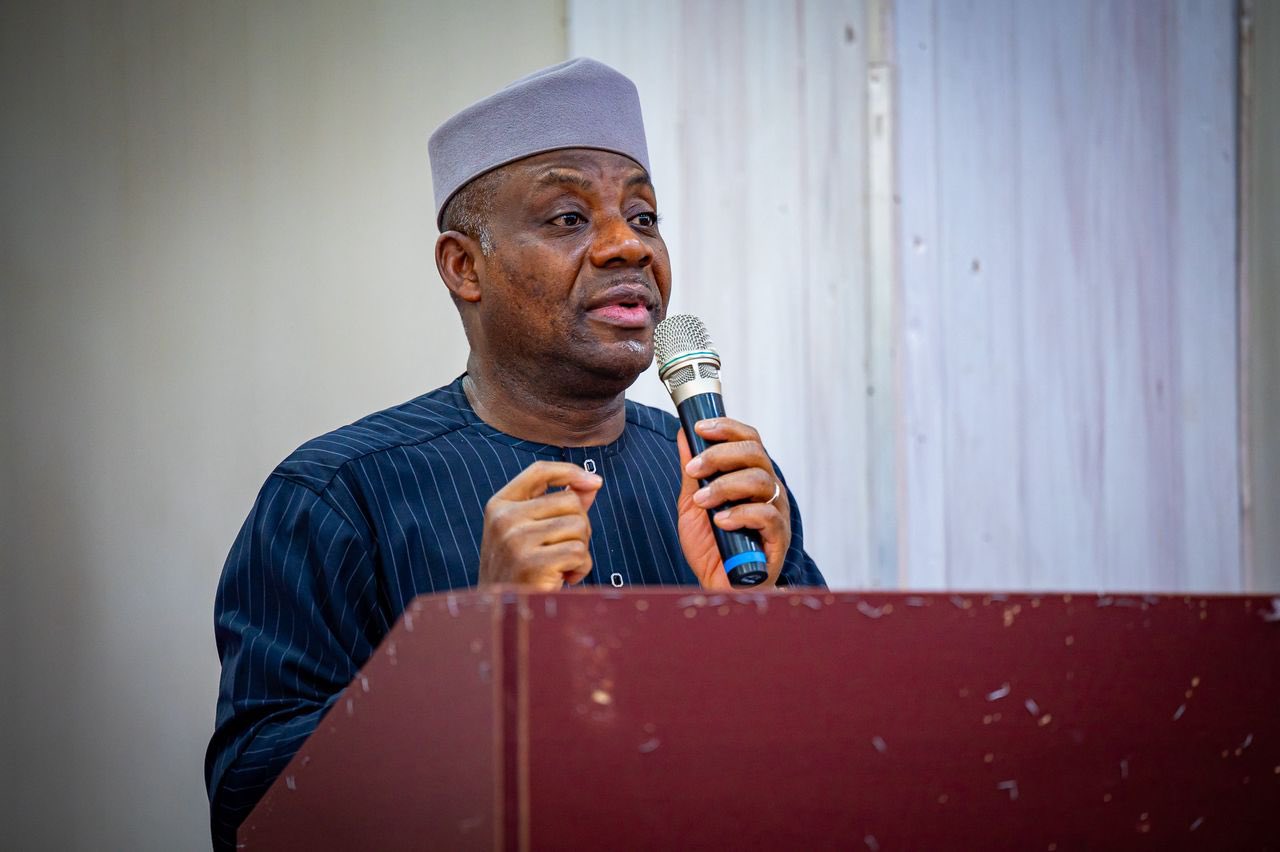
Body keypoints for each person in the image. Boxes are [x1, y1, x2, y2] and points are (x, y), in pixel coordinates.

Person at [204, 57, 825, 849]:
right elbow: (250, 813)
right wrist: (477, 646)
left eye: (643, 217)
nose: (626, 246)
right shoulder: (336, 495)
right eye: (568, 218)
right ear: (465, 267)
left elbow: (829, 759)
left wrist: (762, 614)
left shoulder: (726, 485)